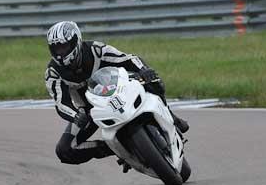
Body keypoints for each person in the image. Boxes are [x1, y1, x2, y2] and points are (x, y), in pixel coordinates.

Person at [44, 21, 189, 167]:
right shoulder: (53, 73)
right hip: (90, 111)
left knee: (151, 79)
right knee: (64, 150)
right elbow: (61, 103)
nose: (61, 53)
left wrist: (144, 69)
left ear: (76, 41)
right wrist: (75, 115)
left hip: (119, 91)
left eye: (64, 47)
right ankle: (118, 149)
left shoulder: (96, 50)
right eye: (56, 49)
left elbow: (127, 59)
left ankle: (172, 117)